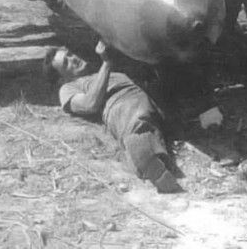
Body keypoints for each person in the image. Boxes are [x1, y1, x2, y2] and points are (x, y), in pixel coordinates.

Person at [44, 41, 182, 193]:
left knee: (184, 111)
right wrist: (107, 63)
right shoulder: (67, 88)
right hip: (121, 103)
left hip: (147, 99)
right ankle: (149, 163)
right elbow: (90, 104)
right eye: (66, 63)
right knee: (137, 124)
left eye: (70, 54)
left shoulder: (97, 73)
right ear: (61, 79)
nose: (73, 59)